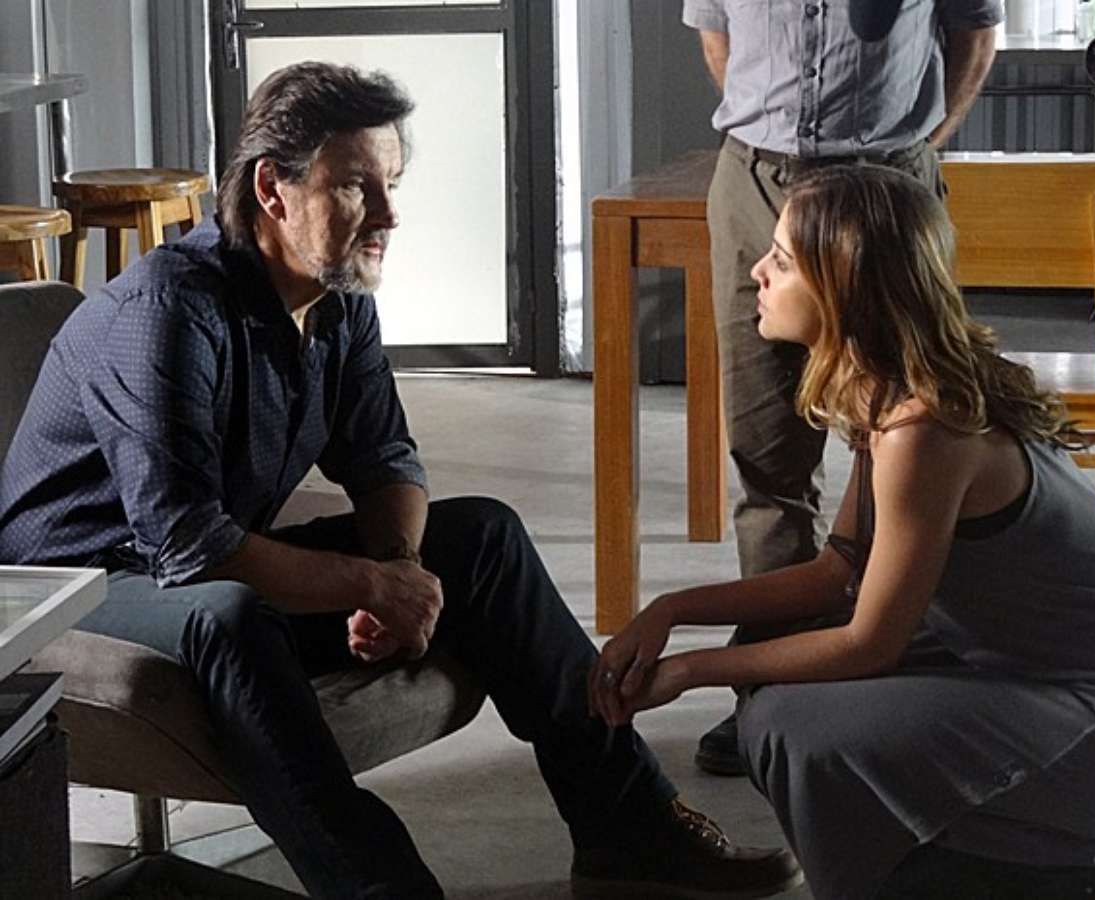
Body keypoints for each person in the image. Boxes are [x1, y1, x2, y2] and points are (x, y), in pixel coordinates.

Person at [0, 62, 802, 900]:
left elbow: (383, 456)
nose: (388, 214)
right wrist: (363, 584)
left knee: (484, 537)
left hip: (200, 565)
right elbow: (187, 545)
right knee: (227, 614)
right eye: (356, 187)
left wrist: (398, 570)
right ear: (272, 189)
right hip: (75, 587)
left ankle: (629, 829)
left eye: (393, 184)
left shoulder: (336, 294)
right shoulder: (166, 313)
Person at [589, 165, 1095, 900]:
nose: (758, 272)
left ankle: (1049, 873)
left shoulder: (923, 429)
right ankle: (1013, 873)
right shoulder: (891, 392)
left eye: (783, 260)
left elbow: (868, 642)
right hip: (1049, 677)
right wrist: (671, 610)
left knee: (789, 723)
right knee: (777, 684)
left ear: (843, 286)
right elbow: (837, 572)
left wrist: (691, 670)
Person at [681, 0, 1005, 775]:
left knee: (907, 424)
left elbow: (975, 33)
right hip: (756, 179)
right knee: (766, 452)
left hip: (884, 182)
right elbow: (717, 37)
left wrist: (918, 149)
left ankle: (895, 663)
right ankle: (772, 683)